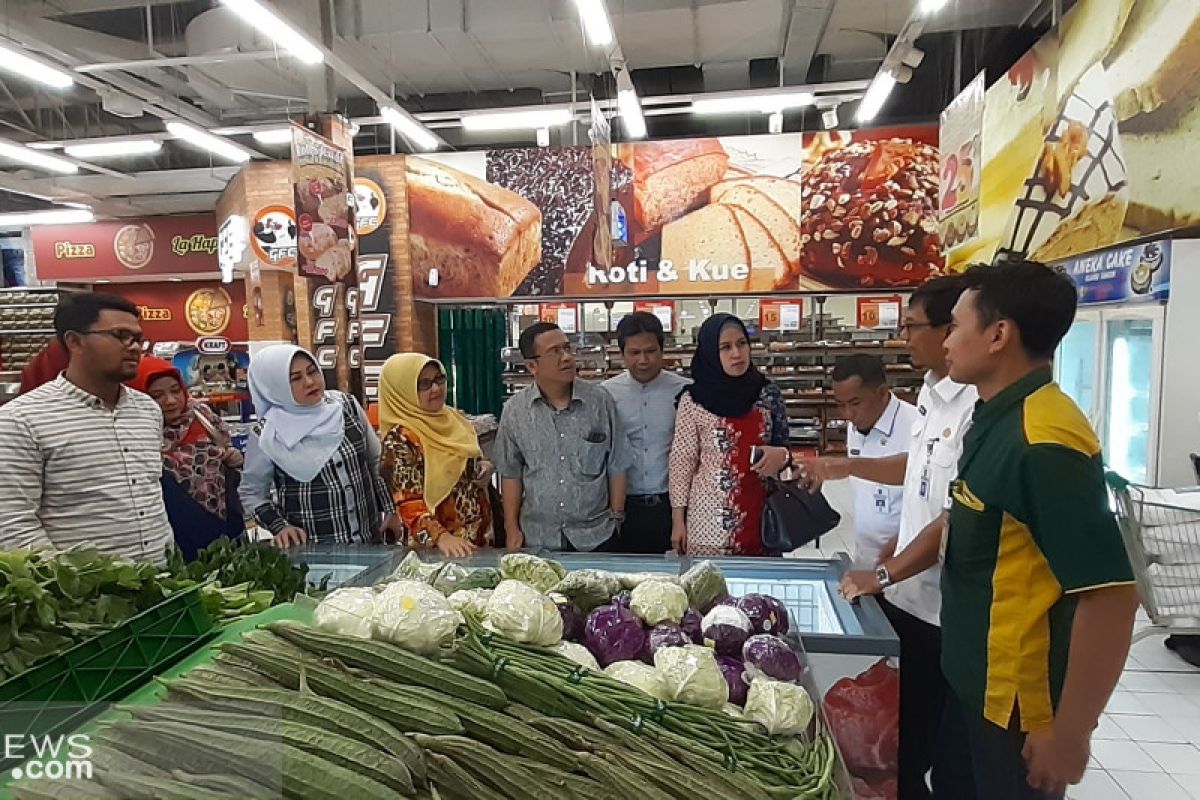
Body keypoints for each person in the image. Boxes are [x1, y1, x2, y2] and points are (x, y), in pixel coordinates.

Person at [852, 260, 1138, 799]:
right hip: (972, 681)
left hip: (1017, 703)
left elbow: (1110, 596)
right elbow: (960, 519)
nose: (946, 341)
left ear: (999, 335)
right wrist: (887, 569)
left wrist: (1072, 731)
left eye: (956, 326)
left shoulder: (1046, 440)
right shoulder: (993, 418)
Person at [806, 276, 978, 800]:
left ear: (955, 328)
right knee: (904, 735)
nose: (904, 335)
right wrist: (842, 467)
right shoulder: (932, 394)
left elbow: (952, 517)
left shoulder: (979, 407)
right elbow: (917, 471)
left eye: (913, 325)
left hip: (944, 607)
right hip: (905, 595)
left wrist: (883, 571)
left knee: (941, 745)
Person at [0, 293, 172, 562]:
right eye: (120, 335)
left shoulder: (147, 410)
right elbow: (12, 523)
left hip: (163, 584)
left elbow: (148, 494)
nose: (135, 347)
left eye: (138, 339)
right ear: (75, 341)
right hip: (83, 598)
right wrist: (71, 584)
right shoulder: (21, 420)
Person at [240, 344, 396, 548]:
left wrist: (391, 509)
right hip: (316, 555)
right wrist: (280, 527)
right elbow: (252, 493)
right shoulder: (267, 434)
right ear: (274, 387)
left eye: (312, 371)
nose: (310, 382)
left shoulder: (346, 406)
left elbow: (375, 461)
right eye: (295, 378)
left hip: (370, 543)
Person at [494, 322, 630, 552]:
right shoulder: (515, 411)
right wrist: (511, 528)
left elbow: (617, 462)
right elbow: (510, 473)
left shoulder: (599, 401)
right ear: (531, 366)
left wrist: (616, 517)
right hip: (538, 537)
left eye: (567, 348)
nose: (566, 357)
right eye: (555, 352)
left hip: (596, 536)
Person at [669, 313, 791, 556]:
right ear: (711, 354)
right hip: (707, 523)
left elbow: (788, 453)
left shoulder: (768, 396)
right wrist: (677, 521)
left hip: (762, 518)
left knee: (759, 591)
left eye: (741, 344)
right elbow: (682, 462)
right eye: (725, 347)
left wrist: (784, 457)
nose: (736, 353)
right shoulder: (693, 401)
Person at [378, 352, 495, 558]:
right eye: (424, 384)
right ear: (402, 391)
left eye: (439, 379)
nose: (436, 388)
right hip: (438, 551)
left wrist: (484, 467)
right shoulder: (401, 440)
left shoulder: (454, 419)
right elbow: (408, 503)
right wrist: (442, 538)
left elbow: (469, 459)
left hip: (479, 540)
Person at [128, 356, 245, 560]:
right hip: (169, 539)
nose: (171, 401)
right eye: (157, 395)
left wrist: (233, 458)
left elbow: (227, 453)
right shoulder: (135, 434)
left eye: (175, 390)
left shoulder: (202, 417)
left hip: (223, 528)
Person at [602, 312, 691, 553]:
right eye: (634, 353)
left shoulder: (685, 391)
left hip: (671, 506)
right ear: (622, 354)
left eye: (650, 351)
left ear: (662, 350)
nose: (643, 360)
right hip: (623, 507)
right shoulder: (606, 394)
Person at [829, 354, 920, 568]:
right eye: (840, 405)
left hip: (907, 565)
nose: (848, 414)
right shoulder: (855, 427)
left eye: (855, 403)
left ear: (881, 393)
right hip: (866, 561)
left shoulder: (917, 427)